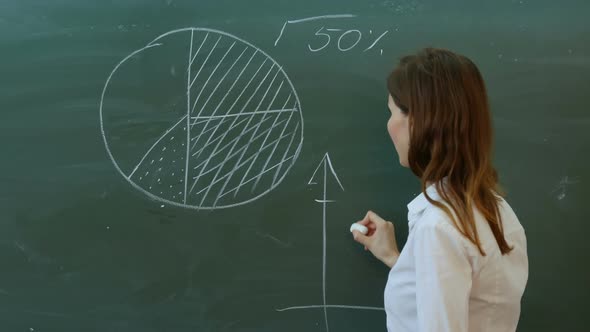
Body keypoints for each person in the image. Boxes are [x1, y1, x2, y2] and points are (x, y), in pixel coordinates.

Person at [351, 48, 529, 332]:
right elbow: (466, 298)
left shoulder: (438, 228)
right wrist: (394, 258)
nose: (389, 125)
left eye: (392, 112)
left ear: (419, 121)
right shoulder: (496, 209)